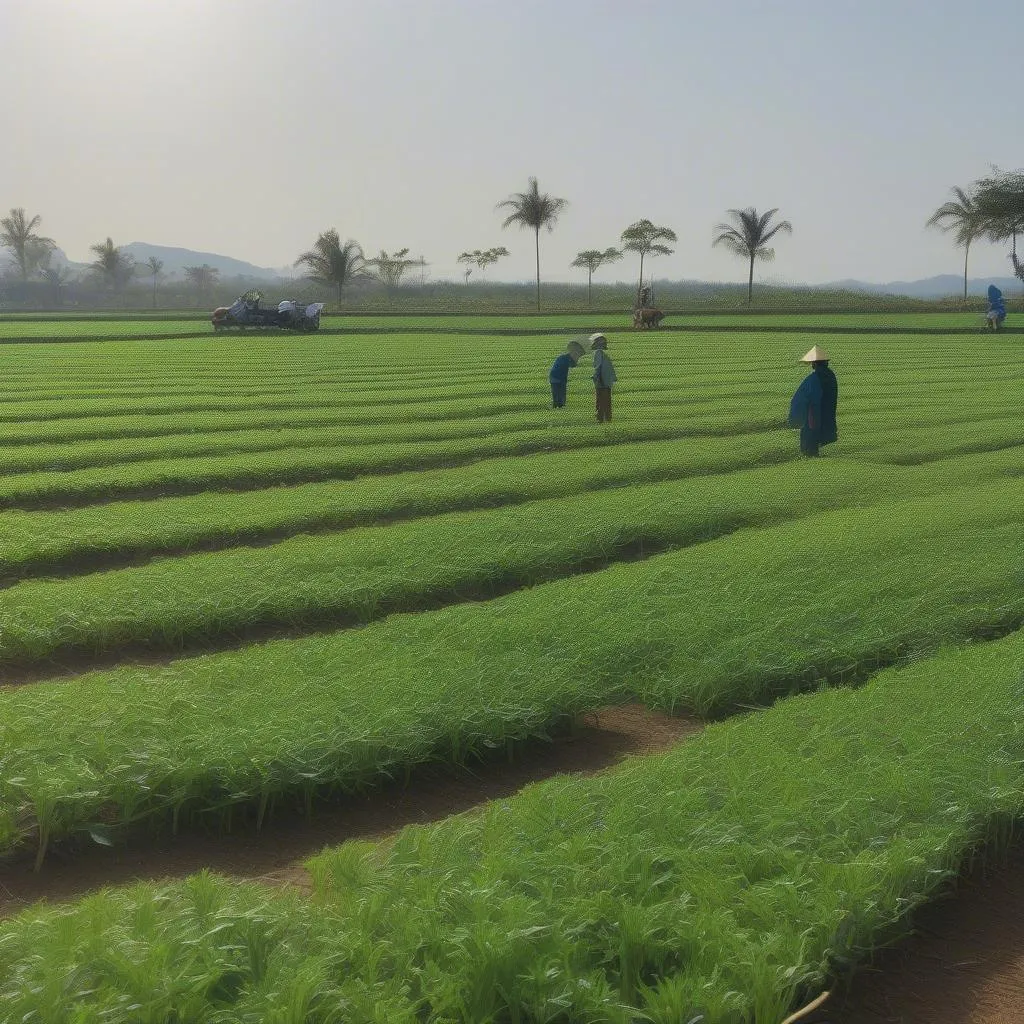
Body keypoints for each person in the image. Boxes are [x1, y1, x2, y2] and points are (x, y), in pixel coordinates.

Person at [788, 345, 838, 456]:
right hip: (827, 420)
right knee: (816, 447)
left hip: (813, 419)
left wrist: (795, 419)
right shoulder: (831, 377)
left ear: (814, 364)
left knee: (808, 448)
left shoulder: (813, 379)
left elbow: (800, 399)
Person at [590, 332, 617, 423]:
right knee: (607, 401)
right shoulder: (604, 355)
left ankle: (600, 419)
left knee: (600, 401)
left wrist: (594, 377)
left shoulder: (598, 353)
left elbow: (598, 367)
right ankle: (608, 418)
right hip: (607, 382)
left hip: (602, 382)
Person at [548, 341, 582, 408]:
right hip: (556, 377)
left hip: (557, 377)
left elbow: (573, 365)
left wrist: (577, 357)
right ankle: (557, 405)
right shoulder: (566, 358)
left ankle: (559, 405)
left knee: (559, 393)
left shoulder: (565, 357)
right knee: (558, 392)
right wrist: (577, 357)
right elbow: (572, 364)